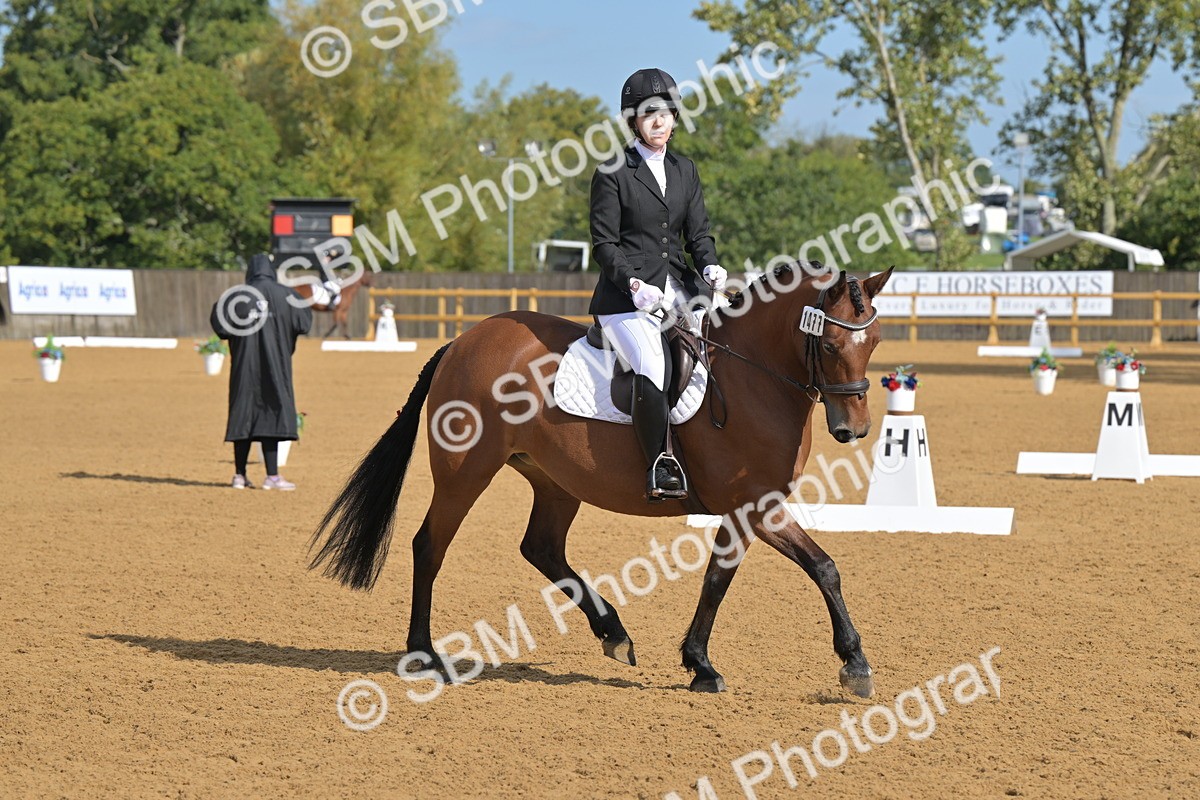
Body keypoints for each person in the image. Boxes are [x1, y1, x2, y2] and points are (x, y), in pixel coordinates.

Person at [588, 67, 727, 501]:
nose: (659, 122)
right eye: (649, 115)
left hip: (680, 288)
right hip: (626, 299)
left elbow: (698, 236)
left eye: (665, 113)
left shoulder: (685, 169)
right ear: (633, 122)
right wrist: (633, 284)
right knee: (653, 364)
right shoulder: (613, 171)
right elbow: (604, 243)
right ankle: (659, 465)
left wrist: (710, 268)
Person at [211, 253, 313, 490]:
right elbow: (304, 323)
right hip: (276, 366)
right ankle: (273, 477)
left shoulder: (235, 297)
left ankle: (239, 475)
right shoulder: (287, 295)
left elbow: (219, 327)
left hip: (244, 369)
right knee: (272, 412)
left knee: (243, 414)